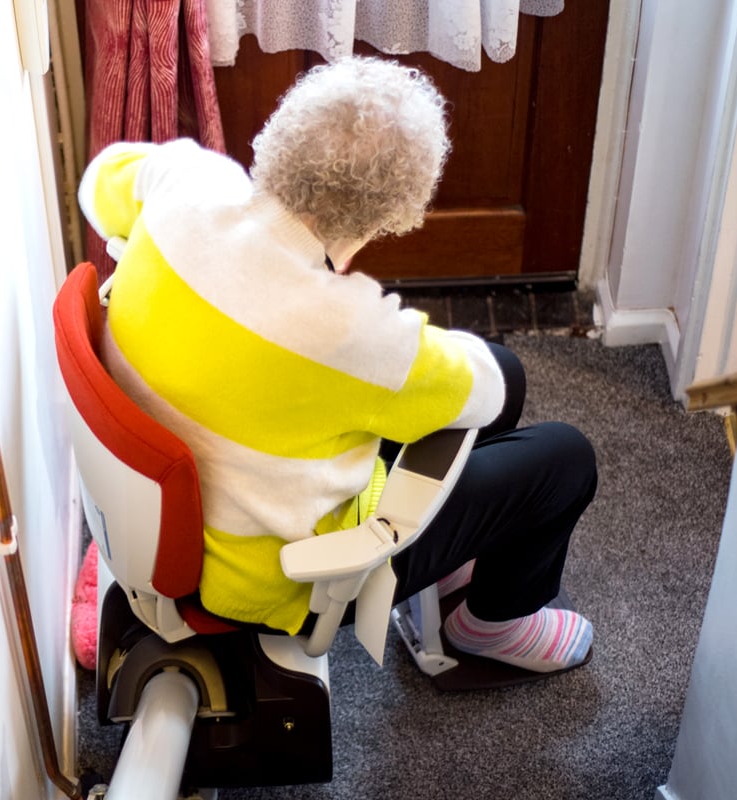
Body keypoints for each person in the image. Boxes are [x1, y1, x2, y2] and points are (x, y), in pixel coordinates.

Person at [77, 56, 597, 675]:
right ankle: (492, 625)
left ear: (283, 127)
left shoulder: (186, 180)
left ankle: (463, 559)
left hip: (160, 506)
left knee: (463, 399)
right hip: (274, 577)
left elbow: (98, 186)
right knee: (563, 458)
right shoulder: (352, 330)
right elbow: (487, 387)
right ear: (391, 215)